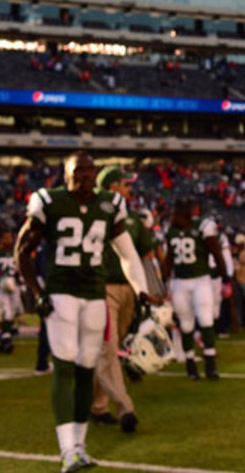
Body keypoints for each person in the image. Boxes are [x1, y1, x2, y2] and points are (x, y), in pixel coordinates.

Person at [16, 152, 152, 473]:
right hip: (62, 294)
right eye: (78, 172)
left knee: (85, 371)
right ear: (66, 176)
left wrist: (141, 290)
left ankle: (79, 447)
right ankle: (67, 450)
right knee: (64, 367)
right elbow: (23, 249)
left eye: (90, 172)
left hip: (94, 295)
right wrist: (35, 292)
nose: (85, 177)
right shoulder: (49, 201)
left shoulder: (110, 204)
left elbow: (128, 254)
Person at [90, 166, 158, 432]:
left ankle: (97, 404)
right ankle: (124, 406)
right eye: (126, 185)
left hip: (128, 289)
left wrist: (154, 289)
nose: (130, 190)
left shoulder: (130, 217)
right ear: (113, 186)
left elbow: (146, 255)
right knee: (108, 348)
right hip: (102, 287)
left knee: (111, 350)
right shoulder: (92, 211)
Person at [162, 200, 228, 381]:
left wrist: (224, 276)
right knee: (186, 324)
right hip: (180, 282)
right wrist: (163, 281)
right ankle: (190, 364)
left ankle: (210, 364)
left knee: (206, 319)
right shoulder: (171, 231)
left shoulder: (203, 227)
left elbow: (216, 252)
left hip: (201, 281)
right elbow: (168, 259)